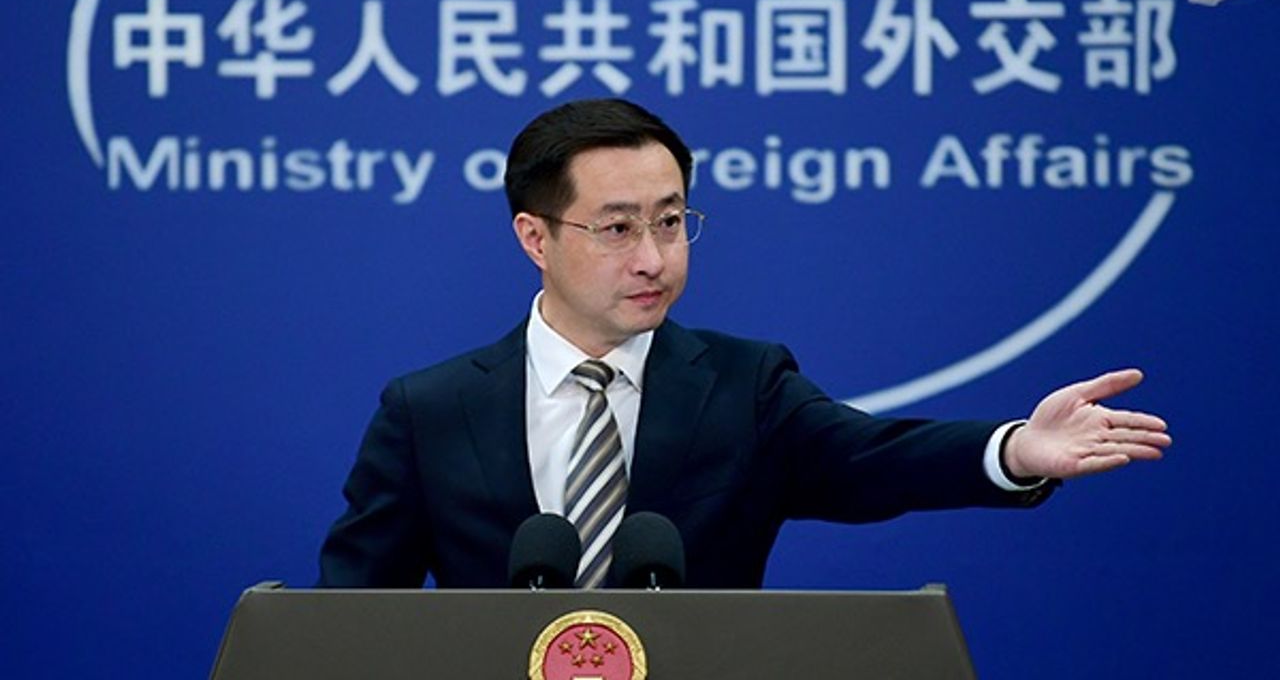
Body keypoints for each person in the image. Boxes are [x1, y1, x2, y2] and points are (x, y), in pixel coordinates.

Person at [318, 98, 1170, 589]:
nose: (653, 258)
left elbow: (870, 459)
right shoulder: (430, 409)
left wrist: (1014, 450)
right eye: (617, 228)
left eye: (670, 221)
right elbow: (349, 619)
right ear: (534, 237)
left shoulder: (743, 384)